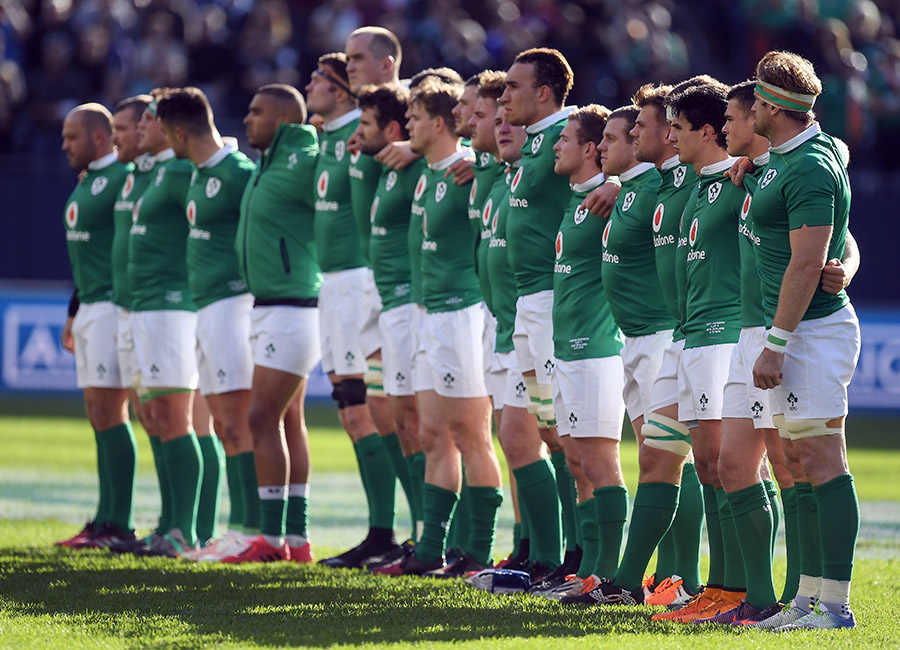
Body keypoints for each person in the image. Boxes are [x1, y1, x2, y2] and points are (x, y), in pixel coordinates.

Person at [749, 50, 861, 631]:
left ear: (774, 106)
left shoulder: (810, 165)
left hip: (811, 331)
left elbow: (807, 263)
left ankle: (835, 607)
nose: (750, 105)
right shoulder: (783, 158)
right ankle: (807, 600)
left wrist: (777, 342)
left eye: (758, 97)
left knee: (822, 459)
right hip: (797, 331)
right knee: (796, 457)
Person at [388, 78, 503, 576]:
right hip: (425, 314)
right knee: (432, 433)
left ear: (437, 125)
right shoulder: (428, 173)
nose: (406, 126)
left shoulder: (468, 173)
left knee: (470, 434)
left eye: (413, 118)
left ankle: (477, 552)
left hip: (460, 312)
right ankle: (431, 551)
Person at [561, 104, 669, 605]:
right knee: (662, 460)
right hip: (634, 341)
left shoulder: (657, 187)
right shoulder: (626, 192)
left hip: (662, 338)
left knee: (675, 462)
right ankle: (615, 575)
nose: (602, 147)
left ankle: (669, 578)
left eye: (614, 137)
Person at [307, 53, 406, 568]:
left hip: (364, 279)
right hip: (334, 283)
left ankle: (408, 534)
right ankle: (382, 533)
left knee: (381, 409)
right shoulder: (327, 136)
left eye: (360, 55)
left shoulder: (379, 131)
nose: (308, 85)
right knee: (351, 409)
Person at [155, 87, 257, 559]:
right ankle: (237, 530)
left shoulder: (238, 174)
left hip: (234, 306)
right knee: (221, 421)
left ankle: (250, 528)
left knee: (239, 421)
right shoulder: (196, 174)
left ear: (179, 131)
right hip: (205, 307)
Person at [224, 83, 322, 563]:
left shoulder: (303, 160)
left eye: (256, 112)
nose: (247, 119)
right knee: (287, 419)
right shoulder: (267, 162)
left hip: (294, 307)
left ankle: (269, 537)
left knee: (260, 418)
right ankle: (296, 541)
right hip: (274, 307)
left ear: (283, 121)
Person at [537, 104, 629, 601]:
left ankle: (603, 575)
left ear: (591, 149)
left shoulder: (612, 198)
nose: (555, 145)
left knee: (599, 463)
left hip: (596, 349)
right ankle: (588, 570)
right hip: (566, 351)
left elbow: (661, 177)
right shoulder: (578, 199)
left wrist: (622, 186)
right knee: (576, 461)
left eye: (565, 139)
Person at [344, 28, 425, 550]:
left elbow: (458, 139)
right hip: (374, 287)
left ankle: (433, 533)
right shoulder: (368, 144)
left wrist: (419, 145)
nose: (350, 66)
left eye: (357, 58)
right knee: (383, 411)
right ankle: (406, 532)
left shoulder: (419, 139)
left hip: (415, 295)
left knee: (425, 419)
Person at [497, 47, 572, 580]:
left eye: (513, 87)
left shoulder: (572, 132)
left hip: (554, 300)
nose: (504, 98)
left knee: (569, 435)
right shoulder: (535, 142)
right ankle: (548, 558)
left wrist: (616, 182)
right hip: (527, 302)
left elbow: (618, 161)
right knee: (545, 433)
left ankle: (580, 558)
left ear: (543, 91)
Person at [57, 102, 137, 550]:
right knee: (98, 414)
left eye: (72, 137)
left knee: (112, 412)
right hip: (90, 305)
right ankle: (105, 518)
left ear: (100, 137)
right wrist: (74, 309)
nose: (64, 145)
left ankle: (118, 523)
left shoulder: (123, 179)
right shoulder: (91, 181)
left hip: (113, 306)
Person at [127, 90, 203, 557]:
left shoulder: (180, 171)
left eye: (149, 119)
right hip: (147, 305)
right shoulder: (154, 172)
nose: (141, 126)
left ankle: (186, 530)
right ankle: (168, 523)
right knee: (155, 415)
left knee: (176, 418)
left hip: (174, 305)